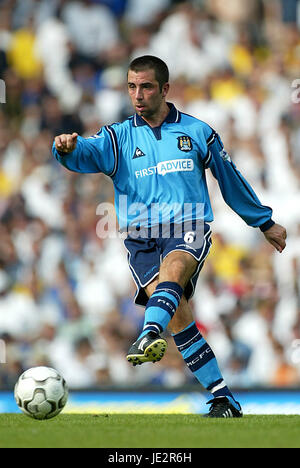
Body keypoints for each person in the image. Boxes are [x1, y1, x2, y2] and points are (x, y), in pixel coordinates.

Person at [52, 55, 287, 418]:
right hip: (140, 239)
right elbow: (85, 152)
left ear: (164, 89)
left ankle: (148, 333)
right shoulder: (118, 138)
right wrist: (65, 148)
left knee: (173, 272)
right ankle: (223, 397)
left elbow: (230, 179)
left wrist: (263, 221)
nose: (137, 95)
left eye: (145, 86)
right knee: (177, 315)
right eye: (132, 87)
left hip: (187, 227)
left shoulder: (196, 132)